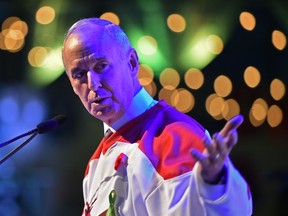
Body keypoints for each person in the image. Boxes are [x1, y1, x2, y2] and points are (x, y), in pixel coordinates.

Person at [62, 17, 253, 216]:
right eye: (79, 74)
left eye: (101, 66)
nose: (93, 83)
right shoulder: (95, 163)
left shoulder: (177, 137)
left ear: (132, 63)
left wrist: (214, 183)